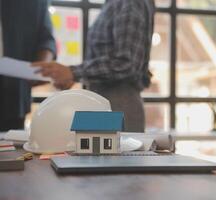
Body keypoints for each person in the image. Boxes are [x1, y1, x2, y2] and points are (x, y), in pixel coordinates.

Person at [33, 0, 155, 132]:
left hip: (119, 104)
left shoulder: (129, 3)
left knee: (113, 150)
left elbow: (126, 63)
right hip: (106, 102)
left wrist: (73, 72)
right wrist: (73, 75)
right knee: (96, 149)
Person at [0, 0, 56, 131]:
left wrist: (41, 67)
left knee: (11, 148)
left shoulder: (36, 2)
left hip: (13, 96)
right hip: (15, 93)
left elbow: (47, 40)